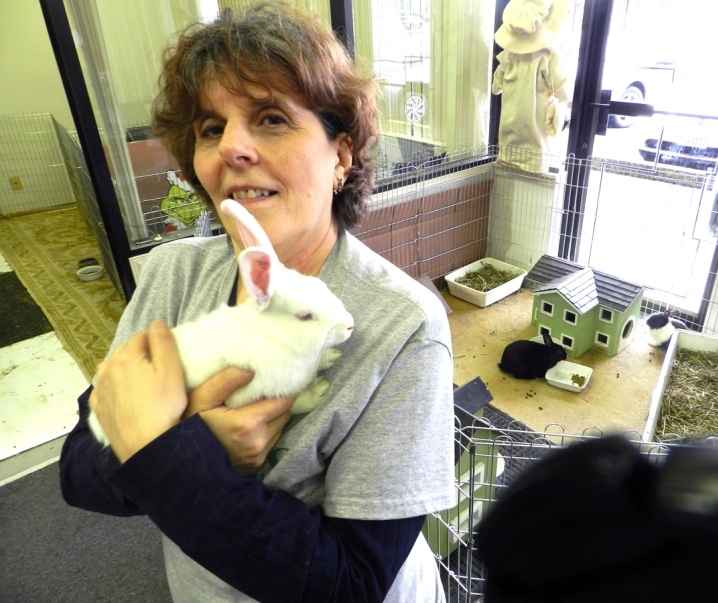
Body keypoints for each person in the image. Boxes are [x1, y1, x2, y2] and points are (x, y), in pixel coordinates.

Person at [59, 3, 456, 602]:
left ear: (341, 155)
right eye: (211, 129)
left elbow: (352, 585)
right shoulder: (172, 275)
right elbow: (76, 470)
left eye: (271, 119)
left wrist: (170, 454)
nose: (231, 148)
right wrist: (188, 451)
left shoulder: (402, 324)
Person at [492, 0, 569, 173]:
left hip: (509, 129)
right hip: (534, 134)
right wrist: (561, 104)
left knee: (507, 170)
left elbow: (496, 86)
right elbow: (562, 91)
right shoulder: (549, 55)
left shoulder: (509, 54)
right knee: (531, 179)